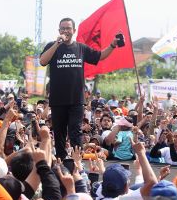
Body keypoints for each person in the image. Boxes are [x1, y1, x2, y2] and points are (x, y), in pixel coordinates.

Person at [39, 17, 119, 160]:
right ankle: (61, 160)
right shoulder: (52, 46)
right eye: (62, 28)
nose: (65, 31)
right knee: (59, 133)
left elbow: (100, 56)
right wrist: (57, 43)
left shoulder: (80, 48)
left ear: (74, 30)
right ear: (59, 31)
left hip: (76, 99)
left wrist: (112, 45)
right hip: (58, 99)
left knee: (75, 131)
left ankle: (77, 162)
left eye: (68, 28)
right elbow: (43, 61)